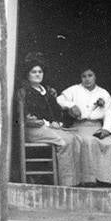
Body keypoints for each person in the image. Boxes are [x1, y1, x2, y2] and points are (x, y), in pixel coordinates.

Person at [57, 68, 111, 187]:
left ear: (95, 76)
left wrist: (106, 129)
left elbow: (109, 114)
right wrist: (71, 105)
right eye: (84, 76)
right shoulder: (74, 90)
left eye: (90, 75)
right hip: (79, 127)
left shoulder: (103, 93)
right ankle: (89, 179)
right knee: (88, 141)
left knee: (110, 143)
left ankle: (107, 180)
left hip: (97, 127)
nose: (87, 79)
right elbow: (59, 99)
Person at [18, 59, 79, 187]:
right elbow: (27, 116)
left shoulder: (47, 91)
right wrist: (47, 123)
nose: (37, 74)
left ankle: (74, 181)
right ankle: (66, 184)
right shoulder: (25, 92)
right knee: (63, 142)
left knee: (73, 138)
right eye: (33, 72)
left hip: (48, 128)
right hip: (34, 129)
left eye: (40, 71)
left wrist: (56, 122)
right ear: (27, 74)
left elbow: (55, 111)